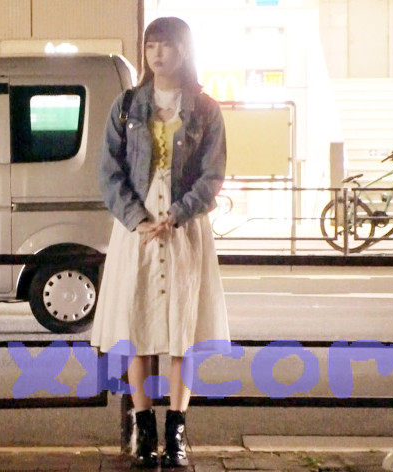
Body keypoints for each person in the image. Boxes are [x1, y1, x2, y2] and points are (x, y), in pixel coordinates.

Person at [91, 16, 231, 469]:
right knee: (138, 327)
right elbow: (108, 172)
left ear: (184, 50)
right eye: (151, 44)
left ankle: (177, 434)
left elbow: (212, 175)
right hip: (136, 227)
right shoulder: (127, 105)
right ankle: (143, 431)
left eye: (166, 45)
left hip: (184, 227)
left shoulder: (205, 109)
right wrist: (136, 218)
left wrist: (178, 213)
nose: (157, 53)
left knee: (181, 331)